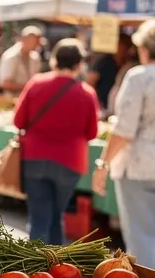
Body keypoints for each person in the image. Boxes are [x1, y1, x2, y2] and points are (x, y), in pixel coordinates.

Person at [93, 18, 155, 271]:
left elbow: (124, 130)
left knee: (142, 237)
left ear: (145, 47)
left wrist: (103, 163)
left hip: (140, 164)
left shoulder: (139, 77)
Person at [12, 40, 99, 246]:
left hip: (34, 158)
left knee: (39, 217)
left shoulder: (36, 83)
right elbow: (92, 133)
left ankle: (34, 268)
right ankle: (55, 268)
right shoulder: (86, 93)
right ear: (79, 64)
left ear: (54, 60)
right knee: (56, 215)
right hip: (69, 163)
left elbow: (18, 121)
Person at [0, 25, 43, 92]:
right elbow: (4, 83)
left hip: (30, 97)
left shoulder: (35, 57)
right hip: (12, 99)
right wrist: (29, 87)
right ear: (26, 40)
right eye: (36, 42)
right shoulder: (11, 56)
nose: (37, 45)